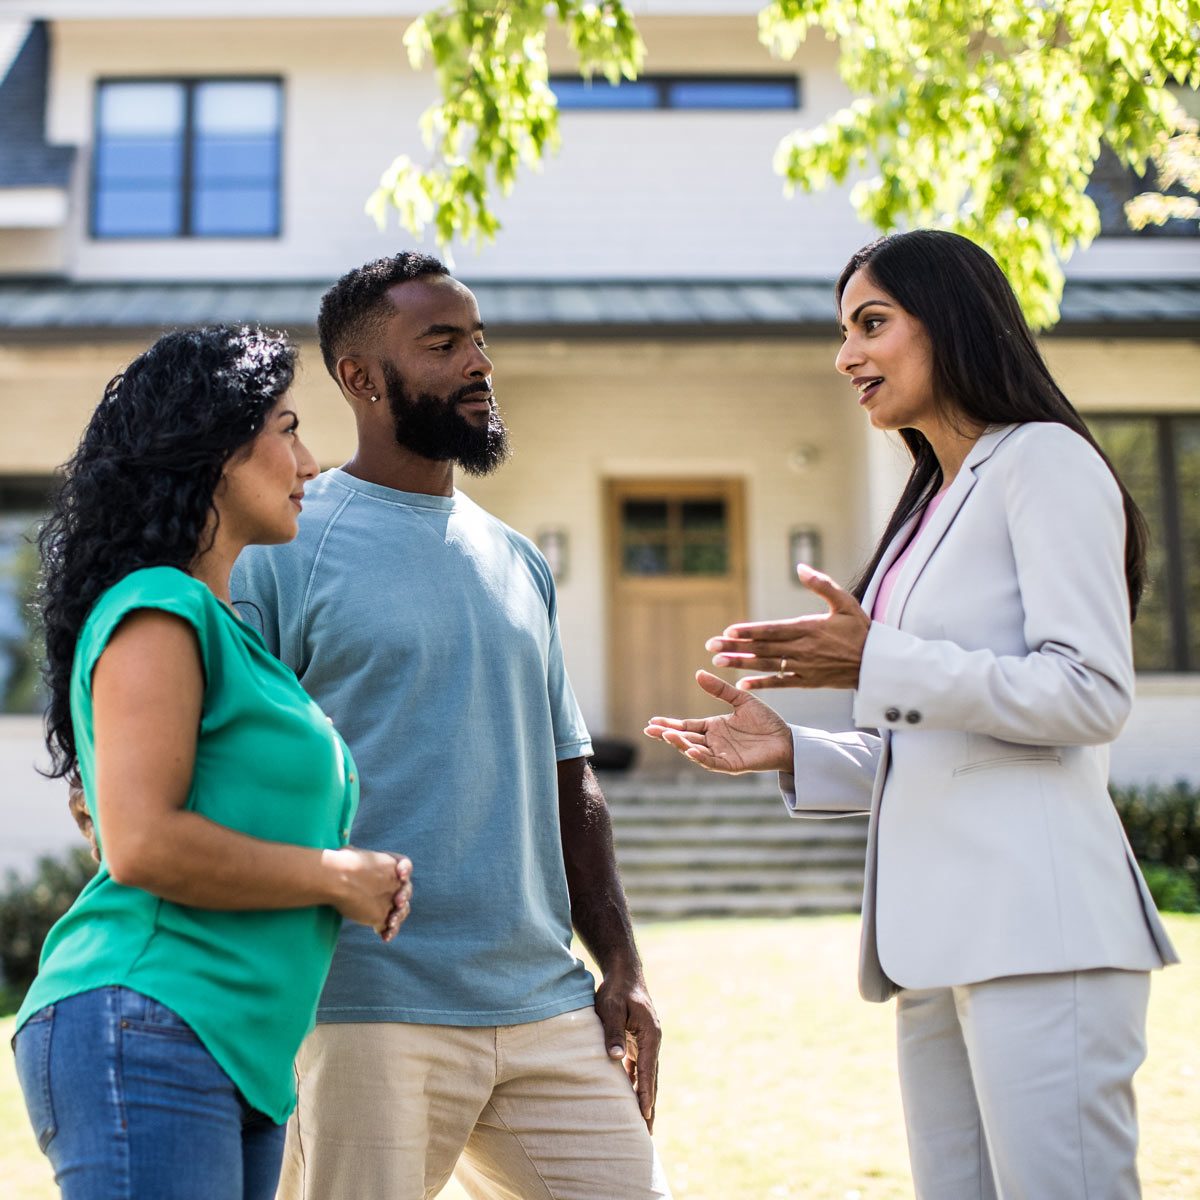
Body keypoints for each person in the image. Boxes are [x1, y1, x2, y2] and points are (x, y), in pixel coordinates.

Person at [645, 230, 1177, 1200]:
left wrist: (875, 656)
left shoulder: (1043, 462)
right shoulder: (927, 504)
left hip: (1039, 929)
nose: (846, 355)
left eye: (873, 323)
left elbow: (1089, 693)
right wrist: (795, 750)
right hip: (932, 945)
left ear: (958, 319)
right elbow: (941, 739)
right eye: (843, 329)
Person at [231, 253, 670, 1200]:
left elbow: (570, 777)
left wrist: (622, 966)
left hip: (544, 1000)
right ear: (359, 379)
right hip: (367, 1004)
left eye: (478, 341)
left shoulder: (517, 559)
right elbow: (232, 766)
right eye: (442, 344)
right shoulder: (283, 549)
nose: (478, 364)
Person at [16, 326, 413, 1200]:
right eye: (288, 428)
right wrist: (337, 875)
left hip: (235, 1050)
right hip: (149, 1016)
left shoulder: (235, 635)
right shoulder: (159, 606)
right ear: (215, 448)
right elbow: (143, 846)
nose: (311, 463)